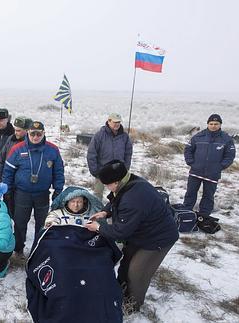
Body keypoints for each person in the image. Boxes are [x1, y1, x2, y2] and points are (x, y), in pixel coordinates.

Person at [85, 160, 179, 312]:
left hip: (158, 238)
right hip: (140, 233)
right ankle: (119, 294)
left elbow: (120, 232)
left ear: (116, 181)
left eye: (107, 184)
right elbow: (115, 197)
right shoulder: (128, 181)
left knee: (137, 272)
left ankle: (132, 305)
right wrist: (105, 212)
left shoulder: (133, 198)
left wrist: (98, 227)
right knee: (126, 264)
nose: (107, 188)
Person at [2, 121, 64, 257]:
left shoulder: (52, 149)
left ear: (43, 134)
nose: (35, 137)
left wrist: (58, 190)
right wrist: (7, 190)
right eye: (32, 134)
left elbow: (58, 171)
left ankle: (38, 249)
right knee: (19, 222)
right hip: (22, 193)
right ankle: (18, 249)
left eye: (39, 134)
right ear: (28, 133)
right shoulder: (18, 149)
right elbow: (8, 171)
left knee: (42, 223)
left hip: (42, 193)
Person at [183, 114, 236, 217]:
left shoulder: (226, 139)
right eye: (211, 124)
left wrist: (220, 166)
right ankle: (185, 213)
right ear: (207, 124)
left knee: (208, 196)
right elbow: (188, 149)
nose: (213, 126)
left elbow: (230, 156)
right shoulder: (198, 136)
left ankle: (203, 217)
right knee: (190, 193)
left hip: (212, 174)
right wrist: (191, 162)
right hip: (195, 172)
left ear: (220, 125)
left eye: (216, 124)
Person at [87, 113, 133, 200]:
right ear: (108, 121)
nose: (117, 124)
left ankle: (116, 211)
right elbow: (91, 154)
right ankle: (97, 211)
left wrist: (125, 168)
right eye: (115, 122)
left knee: (120, 194)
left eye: (118, 122)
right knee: (97, 195)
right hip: (101, 171)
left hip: (119, 171)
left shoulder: (124, 136)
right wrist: (95, 171)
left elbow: (128, 153)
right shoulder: (99, 135)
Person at [0, 116, 32, 218]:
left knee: (19, 212)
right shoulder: (10, 139)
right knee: (7, 205)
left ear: (27, 131)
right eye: (15, 130)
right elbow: (2, 159)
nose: (16, 132)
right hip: (8, 179)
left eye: (19, 131)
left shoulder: (30, 145)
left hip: (22, 184)